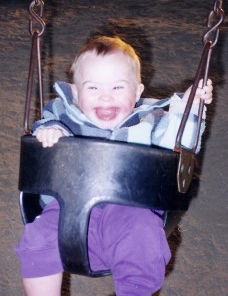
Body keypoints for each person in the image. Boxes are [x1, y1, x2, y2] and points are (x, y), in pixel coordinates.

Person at [15, 36, 213, 296]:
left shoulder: (150, 122)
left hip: (131, 213)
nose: (106, 97)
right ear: (75, 92)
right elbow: (45, 129)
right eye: (93, 88)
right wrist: (50, 132)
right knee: (37, 238)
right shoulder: (64, 118)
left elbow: (181, 141)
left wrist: (190, 107)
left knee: (143, 239)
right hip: (66, 214)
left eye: (118, 88)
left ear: (138, 92)